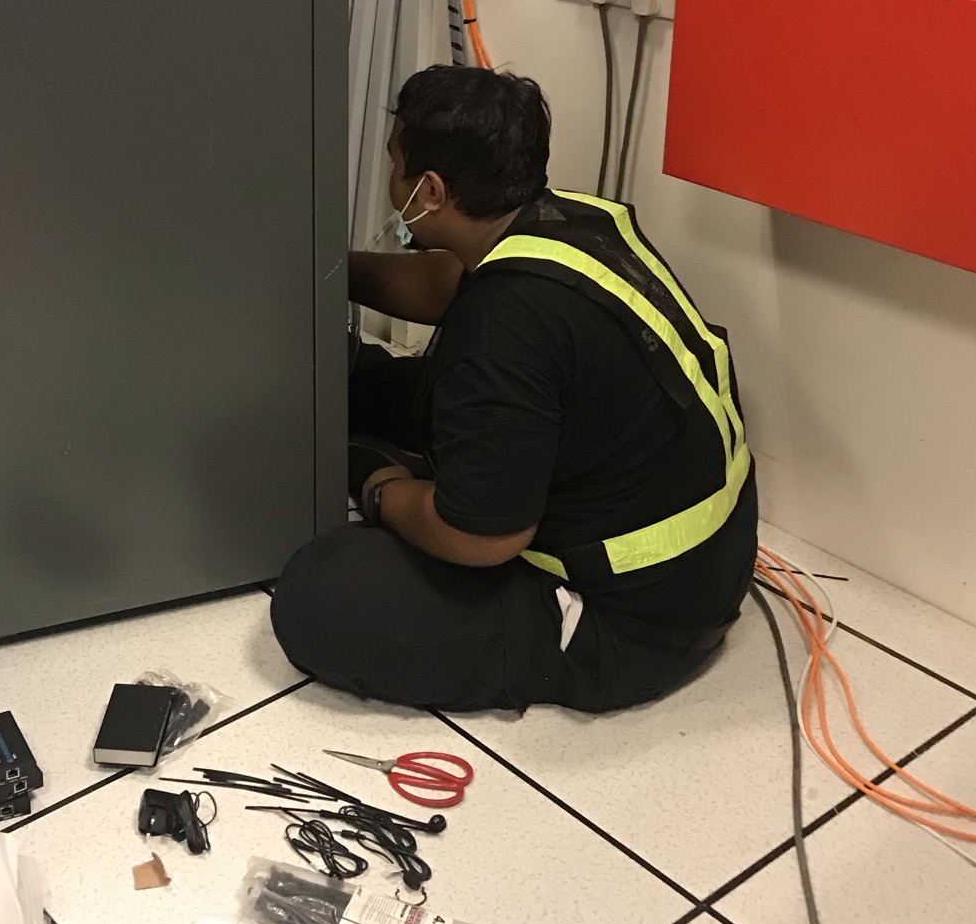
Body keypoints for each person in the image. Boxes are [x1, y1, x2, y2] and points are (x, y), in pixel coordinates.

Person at [271, 65, 758, 713]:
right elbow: (446, 285)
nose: (392, 181)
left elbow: (482, 539)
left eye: (396, 165)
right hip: (701, 558)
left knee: (317, 593)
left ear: (431, 190)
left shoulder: (503, 329)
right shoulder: (571, 221)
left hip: (631, 624)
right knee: (390, 386)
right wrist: (327, 272)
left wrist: (382, 490)